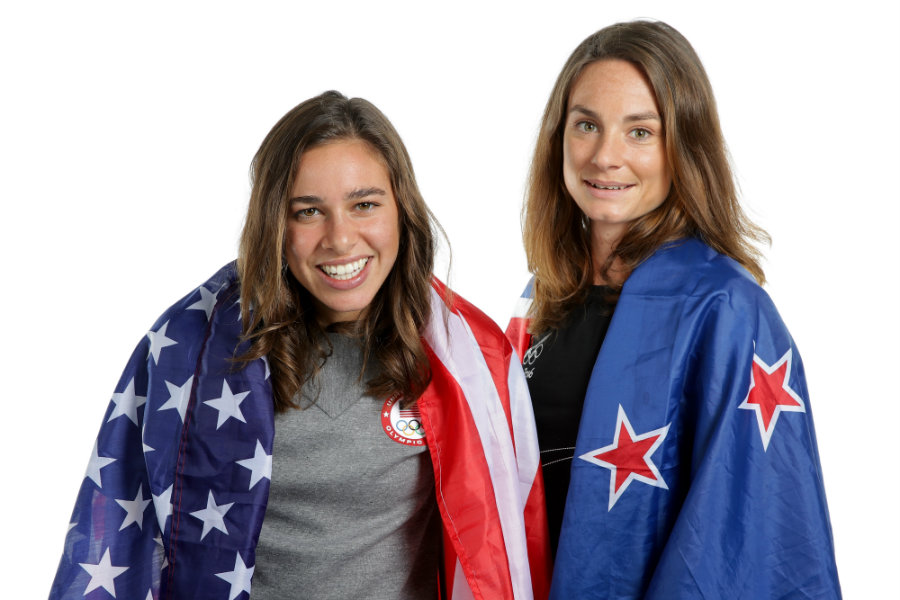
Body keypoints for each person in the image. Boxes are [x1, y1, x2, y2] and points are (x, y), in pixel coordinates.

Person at [51, 91, 550, 600]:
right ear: (274, 224)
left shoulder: (467, 357)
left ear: (402, 209)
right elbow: (117, 531)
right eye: (308, 211)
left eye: (365, 205)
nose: (340, 238)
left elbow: (506, 541)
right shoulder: (187, 351)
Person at [506, 20, 841, 599]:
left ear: (682, 146)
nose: (606, 156)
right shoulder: (544, 295)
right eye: (587, 124)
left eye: (640, 132)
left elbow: (747, 530)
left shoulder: (726, 309)